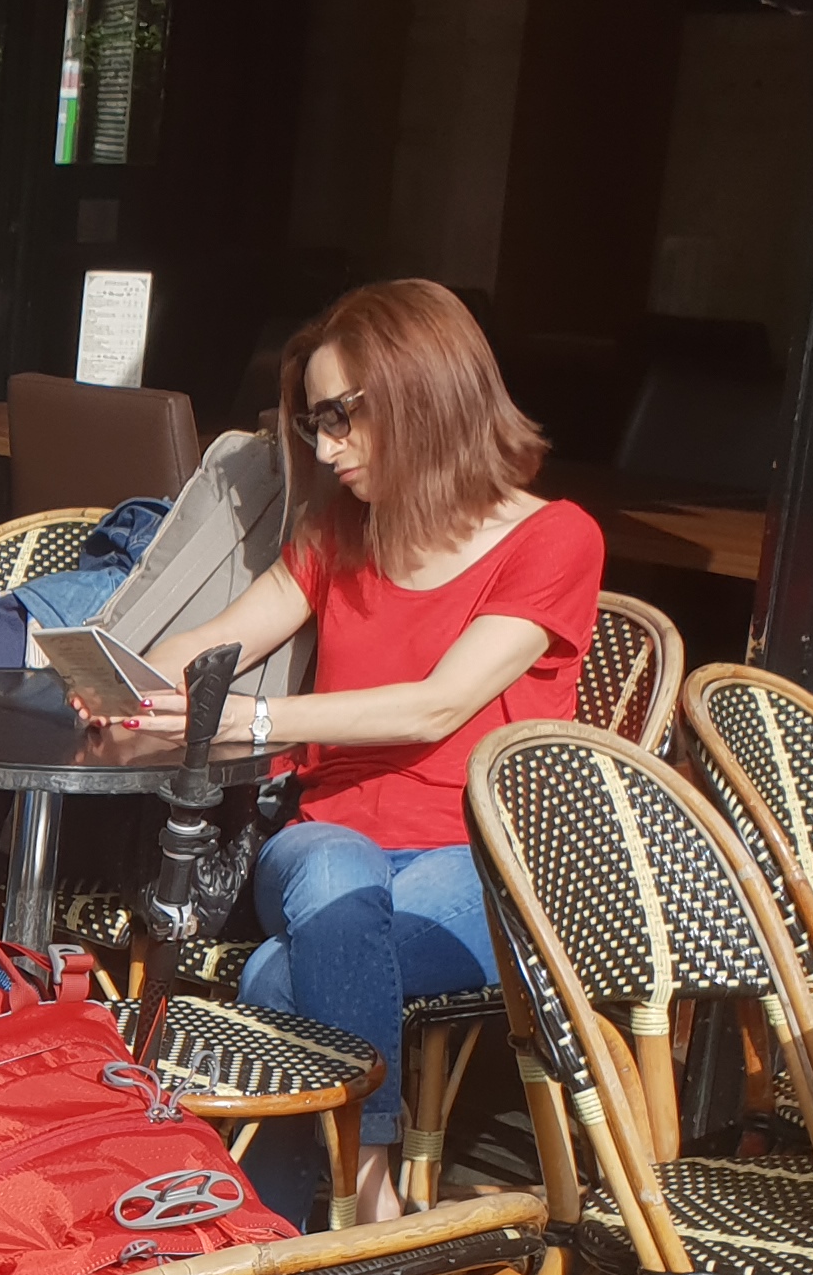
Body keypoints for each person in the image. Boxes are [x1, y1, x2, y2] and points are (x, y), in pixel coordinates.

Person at [136, 278, 601, 1222]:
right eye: (315, 424)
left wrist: (259, 723)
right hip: (323, 838)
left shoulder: (554, 539)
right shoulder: (338, 532)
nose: (328, 449)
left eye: (344, 418)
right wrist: (133, 675)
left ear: (429, 391)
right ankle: (372, 1194)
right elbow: (223, 640)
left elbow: (438, 707)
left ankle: (267, 1220)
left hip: (472, 857)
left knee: (281, 973)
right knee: (339, 879)